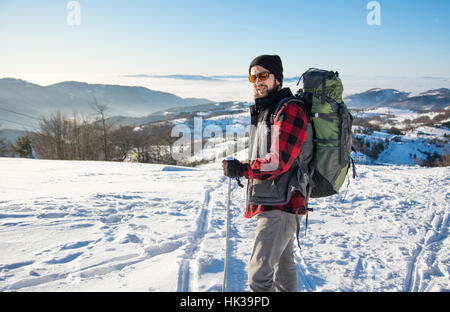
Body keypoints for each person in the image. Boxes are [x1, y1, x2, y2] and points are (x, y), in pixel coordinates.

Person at [222, 54, 309, 292]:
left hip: (281, 204)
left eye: (263, 75)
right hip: (278, 200)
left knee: (258, 278)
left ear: (277, 79)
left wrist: (241, 169)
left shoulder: (289, 110)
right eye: (253, 76)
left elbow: (276, 162)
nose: (257, 81)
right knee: (283, 267)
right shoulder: (269, 110)